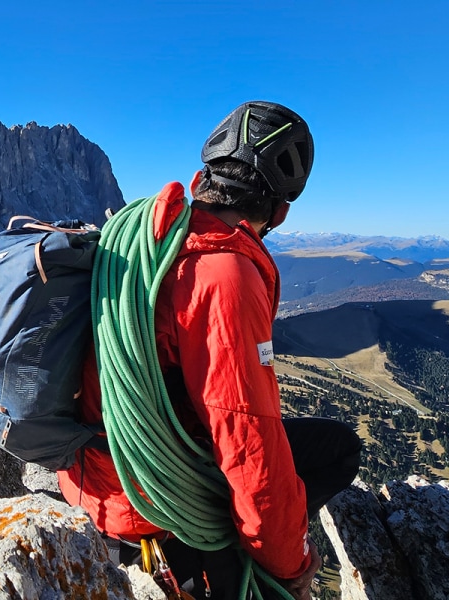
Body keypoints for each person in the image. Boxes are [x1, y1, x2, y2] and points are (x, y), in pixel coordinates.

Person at [58, 101, 362, 600]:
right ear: (280, 212)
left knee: (330, 445)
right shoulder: (224, 272)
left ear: (202, 178)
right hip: (152, 509)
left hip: (95, 476)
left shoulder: (142, 233)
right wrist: (292, 568)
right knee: (334, 454)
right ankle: (225, 554)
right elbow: (248, 444)